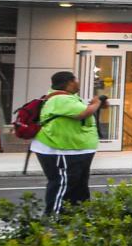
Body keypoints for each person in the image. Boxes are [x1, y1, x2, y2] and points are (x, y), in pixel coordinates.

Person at [32, 70, 101, 217]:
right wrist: (96, 103)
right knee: (63, 184)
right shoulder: (60, 99)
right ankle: (53, 218)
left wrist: (97, 104)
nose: (78, 83)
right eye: (76, 80)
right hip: (60, 149)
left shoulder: (69, 98)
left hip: (74, 148)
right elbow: (83, 114)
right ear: (70, 82)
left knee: (78, 186)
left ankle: (77, 216)